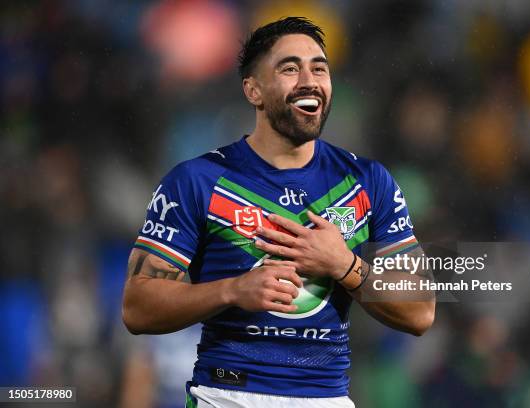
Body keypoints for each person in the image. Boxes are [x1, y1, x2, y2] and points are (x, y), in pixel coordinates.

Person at [122, 17, 435, 408]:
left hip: (327, 399)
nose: (309, 79)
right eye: (290, 68)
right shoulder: (196, 181)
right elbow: (137, 307)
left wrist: (344, 265)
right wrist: (233, 289)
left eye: (319, 68)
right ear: (253, 90)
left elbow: (420, 312)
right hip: (227, 396)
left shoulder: (369, 181)